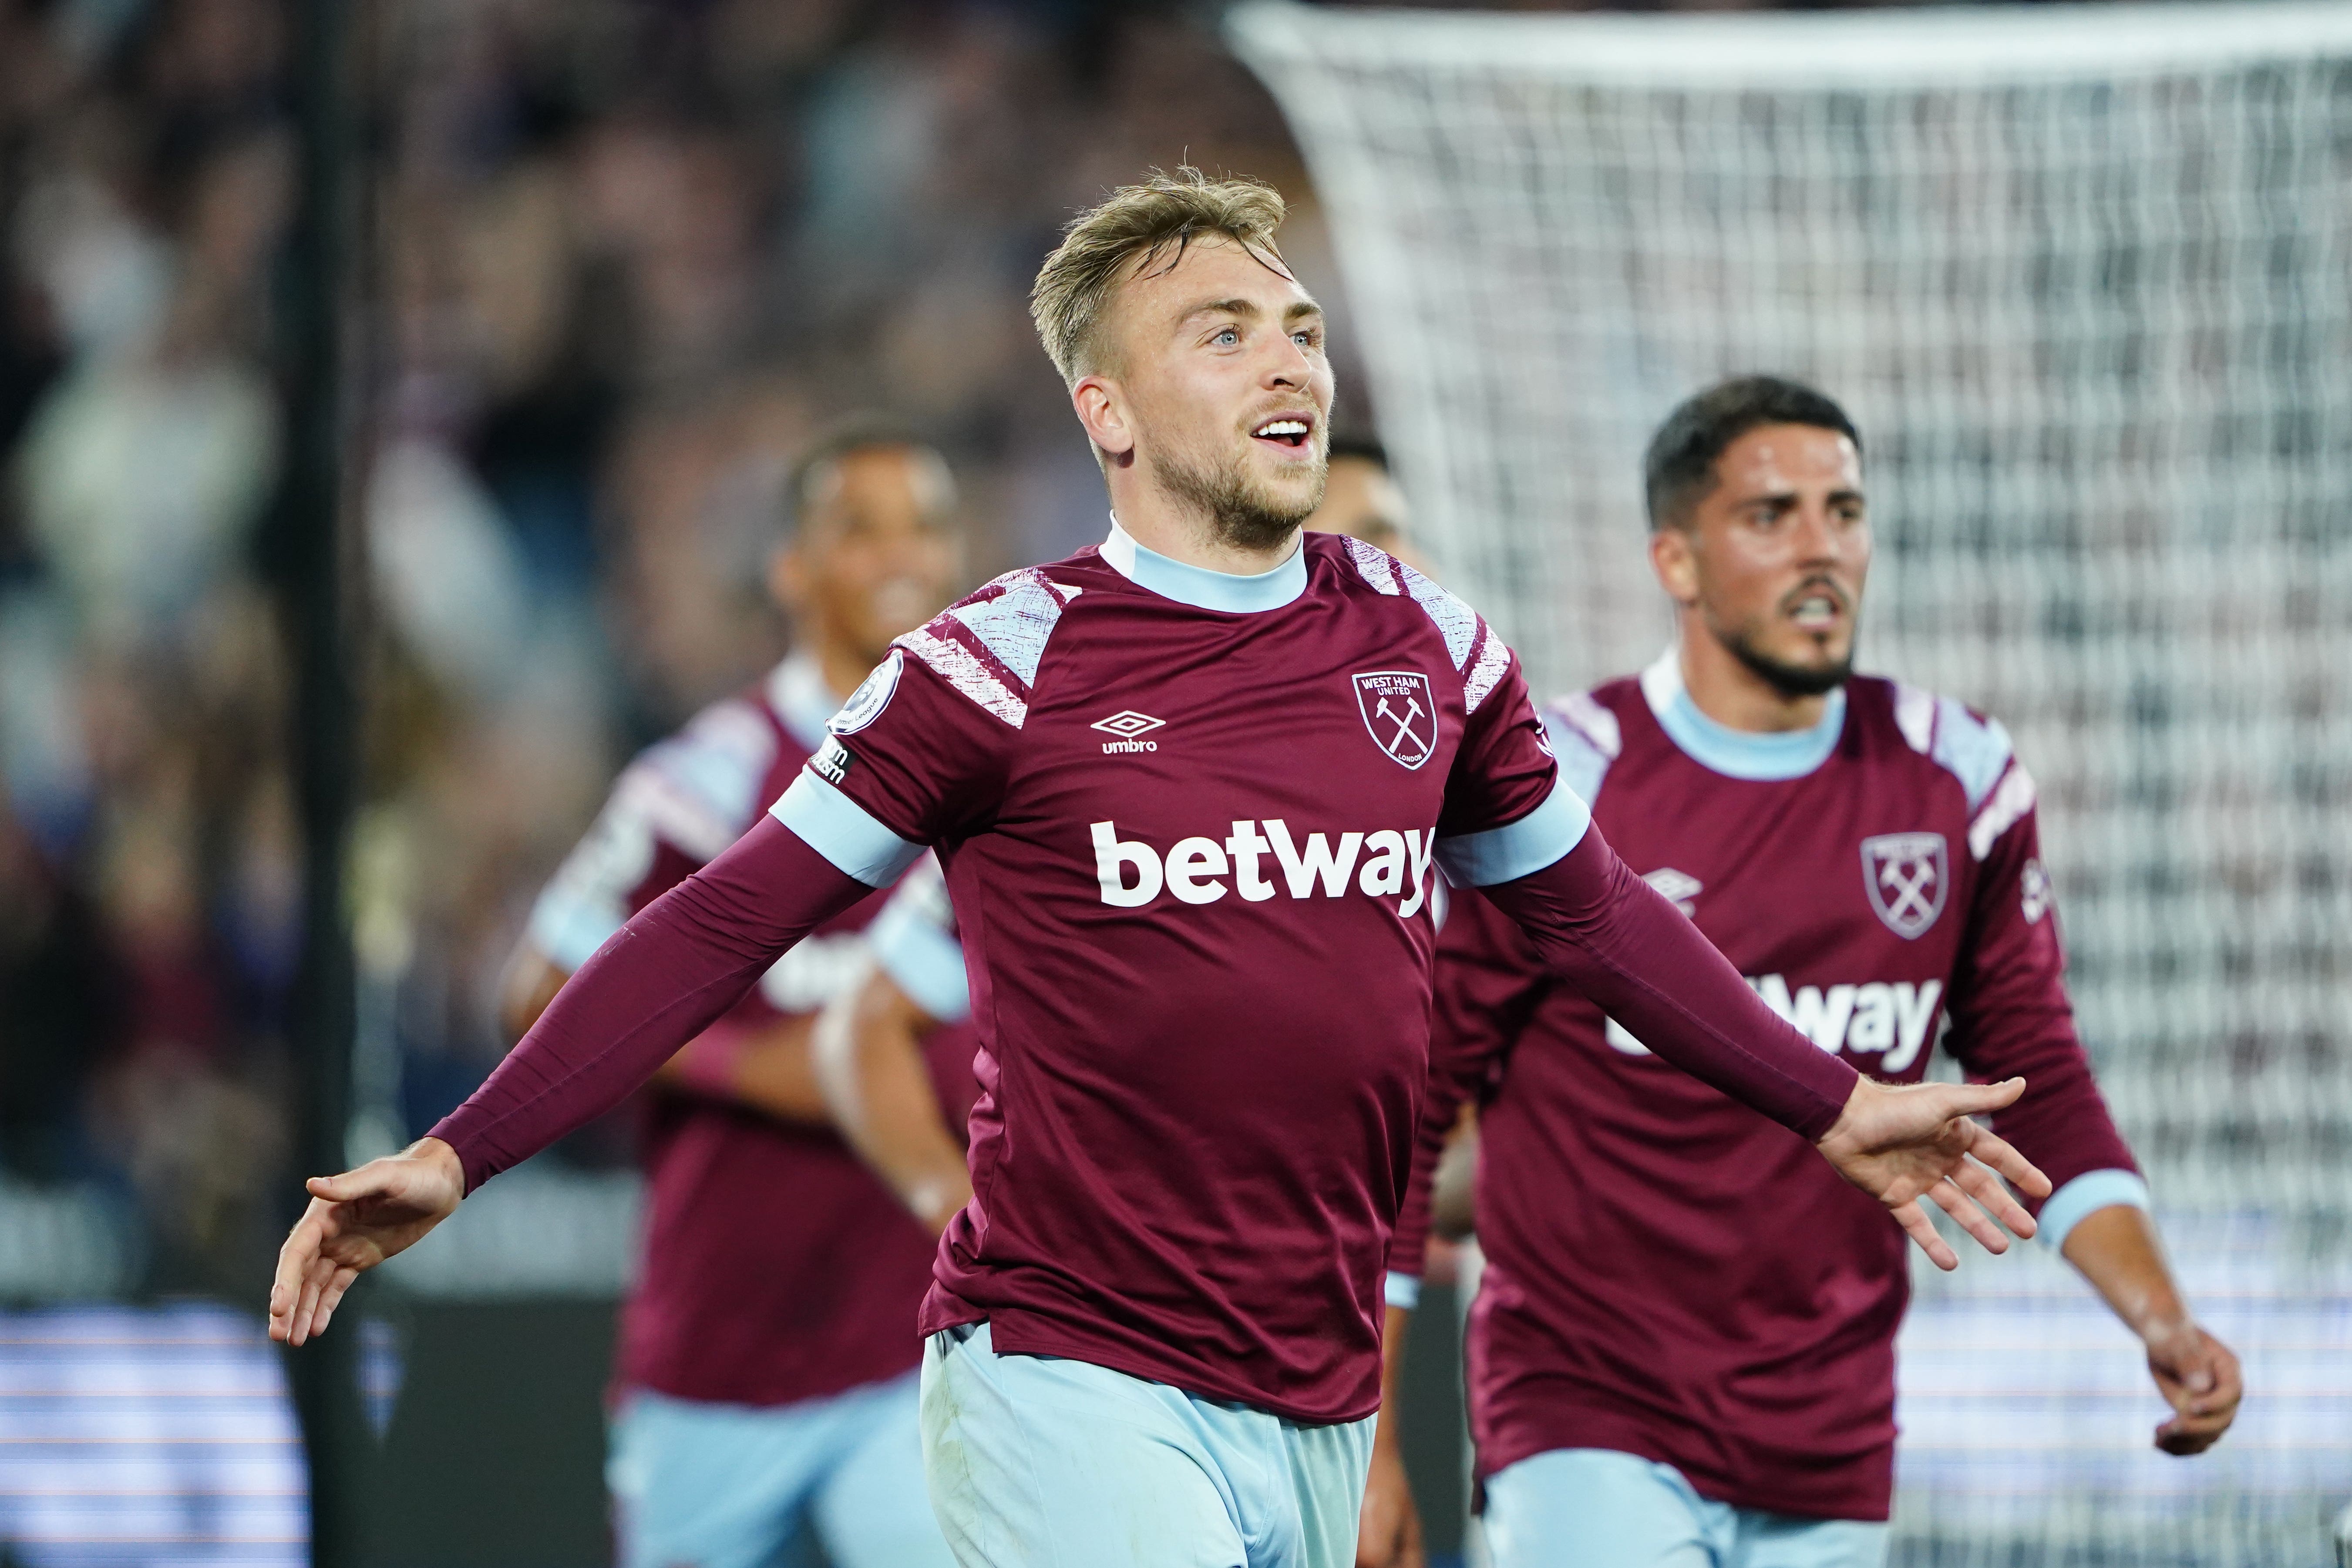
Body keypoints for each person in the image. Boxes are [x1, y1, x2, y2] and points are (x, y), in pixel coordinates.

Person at [270, 170, 2054, 1568]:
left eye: (1294, 325)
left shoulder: (1427, 641)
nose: (1290, 358)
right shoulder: (997, 661)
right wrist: (458, 1151)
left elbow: (1583, 915)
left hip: (1318, 1380)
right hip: (1071, 1368)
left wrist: (1828, 1103)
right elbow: (738, 911)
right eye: (1224, 332)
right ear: (1108, 412)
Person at [1380, 376, 2244, 1568]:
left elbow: (2031, 1076)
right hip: (1586, 1406)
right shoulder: (1553, 787)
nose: (1820, 548)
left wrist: (2158, 1312)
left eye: (1844, 510)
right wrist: (1372, 1432)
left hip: (1830, 1431)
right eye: (1770, 514)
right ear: (1674, 561)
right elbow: (1412, 1103)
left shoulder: (1953, 776)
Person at [804, 432, 1437, 1568]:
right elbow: (862, 1024)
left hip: (1337, 1374)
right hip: (1107, 1361)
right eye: (1333, 536)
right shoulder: (1106, 791)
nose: (1360, 563)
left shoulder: (1466, 781)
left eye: (1382, 534)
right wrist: (949, 1197)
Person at [493, 421, 974, 1568]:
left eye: (925, 526)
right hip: (718, 1348)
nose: (901, 554)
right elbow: (537, 989)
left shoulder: (1003, 780)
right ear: (791, 567)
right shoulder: (704, 780)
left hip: (917, 1343)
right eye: (860, 528)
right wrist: (746, 1066)